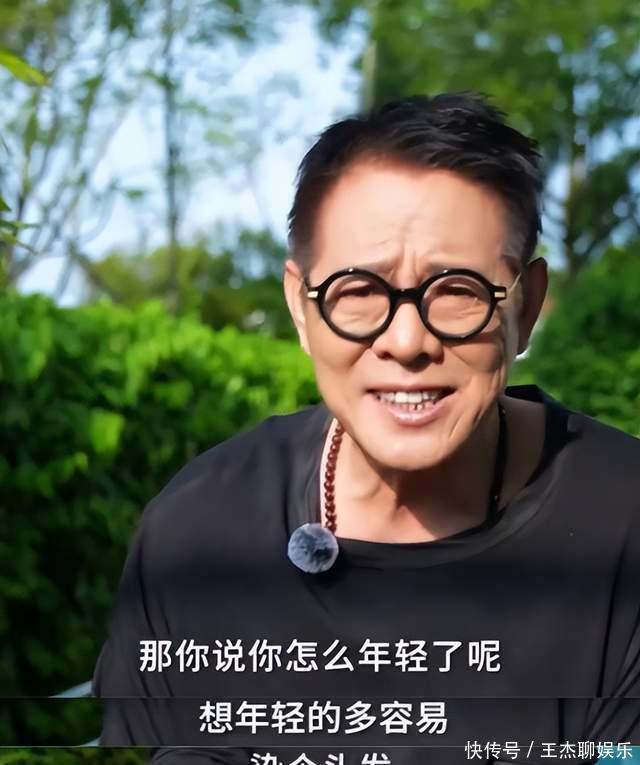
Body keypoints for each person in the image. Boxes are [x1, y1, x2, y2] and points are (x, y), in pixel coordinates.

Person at [94, 93, 640, 765]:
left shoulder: (622, 528)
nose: (406, 341)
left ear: (524, 309)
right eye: (357, 291)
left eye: (459, 291)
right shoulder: (197, 534)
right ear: (301, 308)